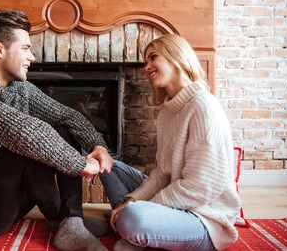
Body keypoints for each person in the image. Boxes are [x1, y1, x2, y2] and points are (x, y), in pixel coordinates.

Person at [0, 9, 114, 250]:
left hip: (8, 203)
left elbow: (67, 115)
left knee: (63, 128)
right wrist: (81, 164)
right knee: (24, 143)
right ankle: (64, 221)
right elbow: (23, 131)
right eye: (25, 48)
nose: (31, 57)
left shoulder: (20, 89)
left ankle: (71, 220)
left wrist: (98, 145)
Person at [99, 34, 242, 251]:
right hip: (175, 201)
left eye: (153, 58)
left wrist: (139, 207)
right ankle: (137, 228)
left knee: (133, 218)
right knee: (108, 165)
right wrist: (132, 200)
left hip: (203, 218)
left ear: (177, 56)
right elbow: (162, 174)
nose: (147, 67)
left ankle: (130, 227)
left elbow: (200, 187)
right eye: (145, 61)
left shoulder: (204, 106)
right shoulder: (167, 112)